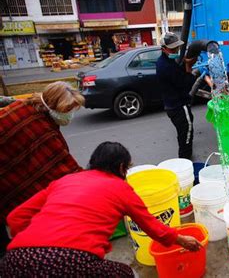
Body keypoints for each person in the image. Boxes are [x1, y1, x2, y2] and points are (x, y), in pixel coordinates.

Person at [0, 142, 201, 277]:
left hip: (14, 260)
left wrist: (31, 245)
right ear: (122, 167)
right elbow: (154, 228)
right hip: (68, 261)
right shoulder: (121, 188)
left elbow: (15, 217)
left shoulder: (66, 180)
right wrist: (182, 240)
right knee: (124, 273)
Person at [0, 81, 84, 257]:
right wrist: (95, 180)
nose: (69, 115)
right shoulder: (41, 128)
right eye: (67, 110)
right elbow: (62, 169)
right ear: (53, 105)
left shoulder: (24, 106)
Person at [156, 32, 197, 160]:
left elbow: (176, 70)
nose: (175, 50)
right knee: (187, 133)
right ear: (163, 49)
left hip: (171, 106)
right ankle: (185, 160)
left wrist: (184, 62)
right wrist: (188, 66)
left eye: (176, 47)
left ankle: (185, 157)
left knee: (182, 132)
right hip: (179, 107)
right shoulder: (167, 67)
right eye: (172, 48)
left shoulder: (163, 61)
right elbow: (187, 83)